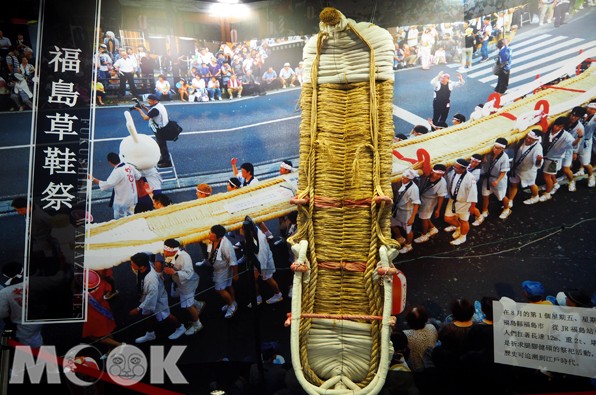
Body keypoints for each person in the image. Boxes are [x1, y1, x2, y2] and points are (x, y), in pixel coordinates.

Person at [129, 252, 187, 343]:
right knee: (146, 314)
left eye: (132, 264)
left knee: (165, 315)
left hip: (157, 298)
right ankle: (150, 334)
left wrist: (138, 308)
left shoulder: (151, 279)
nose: (131, 265)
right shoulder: (146, 266)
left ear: (142, 266)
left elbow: (152, 296)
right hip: (150, 296)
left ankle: (180, 327)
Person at [161, 238, 205, 335]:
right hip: (178, 282)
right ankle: (199, 305)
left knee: (187, 305)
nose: (163, 252)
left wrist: (174, 272)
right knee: (175, 295)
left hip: (188, 283)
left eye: (165, 250)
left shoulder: (184, 257)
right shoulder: (169, 254)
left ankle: (198, 324)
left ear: (172, 250)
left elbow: (189, 273)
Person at [89, 152, 141, 219]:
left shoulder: (117, 171)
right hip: (132, 199)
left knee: (119, 221)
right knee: (131, 218)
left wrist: (93, 179)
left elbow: (107, 185)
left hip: (122, 201)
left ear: (109, 162)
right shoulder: (129, 166)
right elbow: (138, 176)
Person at [475, 138, 511, 223]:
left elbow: (503, 172)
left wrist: (497, 181)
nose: (495, 149)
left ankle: (507, 209)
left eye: (498, 148)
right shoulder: (489, 153)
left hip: (498, 179)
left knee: (501, 196)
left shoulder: (504, 157)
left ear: (503, 149)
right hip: (488, 177)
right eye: (495, 147)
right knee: (485, 195)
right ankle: (485, 210)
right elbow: (484, 163)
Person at [206, 225, 238, 319]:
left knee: (219, 289)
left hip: (224, 269)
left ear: (219, 237)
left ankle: (231, 305)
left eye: (212, 233)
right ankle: (232, 301)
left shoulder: (226, 245)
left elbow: (233, 261)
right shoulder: (211, 240)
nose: (209, 234)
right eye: (210, 232)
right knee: (228, 285)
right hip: (218, 269)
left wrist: (235, 274)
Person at [539, 116, 575, 202]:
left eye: (559, 126)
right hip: (547, 156)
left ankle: (547, 193)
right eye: (556, 125)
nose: (556, 127)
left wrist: (580, 137)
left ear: (563, 127)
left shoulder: (566, 136)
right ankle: (555, 184)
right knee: (551, 175)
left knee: (547, 176)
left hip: (553, 160)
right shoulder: (549, 131)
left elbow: (573, 143)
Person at [444, 158, 478, 246]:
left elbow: (474, 193)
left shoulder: (471, 178)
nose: (454, 169)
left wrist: (472, 206)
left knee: (464, 221)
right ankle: (458, 227)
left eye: (457, 168)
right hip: (453, 200)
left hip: (464, 203)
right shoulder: (454, 172)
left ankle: (463, 237)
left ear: (463, 169)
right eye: (454, 167)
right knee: (447, 218)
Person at [505, 130, 544, 206]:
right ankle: (510, 200)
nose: (528, 140)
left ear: (536, 140)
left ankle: (535, 196)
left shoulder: (538, 148)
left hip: (528, 170)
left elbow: (537, 162)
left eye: (531, 139)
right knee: (513, 184)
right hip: (516, 168)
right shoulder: (521, 140)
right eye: (528, 137)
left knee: (531, 184)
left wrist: (539, 160)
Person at [134, 94, 172, 168]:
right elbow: (151, 113)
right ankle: (164, 159)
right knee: (161, 145)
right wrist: (145, 108)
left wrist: (139, 110)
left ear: (154, 101)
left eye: (149, 100)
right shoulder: (159, 106)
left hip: (160, 130)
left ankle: (167, 162)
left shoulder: (155, 109)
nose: (148, 102)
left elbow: (146, 117)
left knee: (162, 146)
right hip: (163, 128)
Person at [414, 164, 447, 244]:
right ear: (432, 171)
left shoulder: (442, 182)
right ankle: (432, 228)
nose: (439, 176)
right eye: (437, 174)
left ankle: (424, 235)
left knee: (424, 218)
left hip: (430, 201)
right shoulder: (427, 176)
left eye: (441, 175)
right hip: (422, 198)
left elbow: (441, 196)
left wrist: (438, 209)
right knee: (425, 216)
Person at [391, 169, 420, 254]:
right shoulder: (401, 183)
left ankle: (408, 245)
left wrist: (412, 217)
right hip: (398, 209)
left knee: (408, 230)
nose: (403, 179)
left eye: (405, 178)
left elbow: (416, 204)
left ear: (410, 179)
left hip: (407, 212)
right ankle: (400, 238)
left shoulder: (414, 189)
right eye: (402, 177)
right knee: (392, 224)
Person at [562, 106, 586, 192]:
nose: (573, 117)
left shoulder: (580, 128)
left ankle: (571, 181)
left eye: (576, 116)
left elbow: (578, 142)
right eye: (572, 115)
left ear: (579, 118)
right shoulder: (566, 121)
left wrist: (575, 152)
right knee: (563, 166)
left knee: (566, 168)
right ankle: (565, 176)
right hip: (560, 146)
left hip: (569, 148)